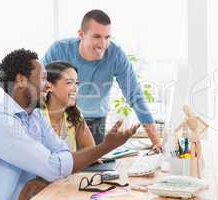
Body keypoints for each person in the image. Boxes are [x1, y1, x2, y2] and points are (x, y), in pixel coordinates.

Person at [0, 49, 140, 200]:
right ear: (21, 80)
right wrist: (107, 146)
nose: (47, 86)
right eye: (43, 79)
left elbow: (62, 152)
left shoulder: (34, 115)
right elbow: (54, 166)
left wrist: (45, 176)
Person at [42, 9, 162, 151]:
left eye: (107, 37)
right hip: (59, 119)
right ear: (81, 34)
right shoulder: (59, 50)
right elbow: (38, 84)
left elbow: (135, 97)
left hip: (95, 122)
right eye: (97, 37)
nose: (103, 44)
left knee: (92, 169)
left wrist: (156, 142)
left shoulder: (116, 55)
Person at [40, 61, 95, 151]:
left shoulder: (74, 113)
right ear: (49, 86)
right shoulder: (36, 115)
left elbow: (90, 148)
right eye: (69, 83)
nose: (75, 88)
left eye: (76, 83)